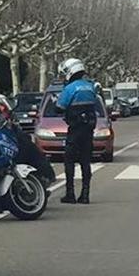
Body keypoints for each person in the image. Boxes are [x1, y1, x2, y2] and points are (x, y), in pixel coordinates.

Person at [56, 58, 97, 204]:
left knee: (69, 160)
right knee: (86, 161)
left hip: (75, 128)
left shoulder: (70, 88)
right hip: (89, 129)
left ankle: (70, 193)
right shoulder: (91, 87)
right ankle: (85, 194)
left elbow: (60, 107)